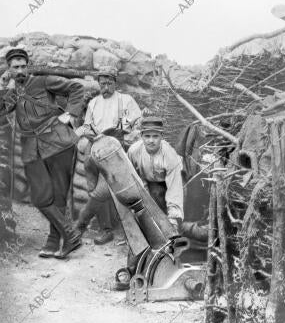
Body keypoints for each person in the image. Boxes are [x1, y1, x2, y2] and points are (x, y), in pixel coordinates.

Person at [0, 48, 85, 259]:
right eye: (15, 67)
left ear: (27, 66)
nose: (20, 70)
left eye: (22, 66)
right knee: (39, 196)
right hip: (31, 148)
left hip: (59, 143)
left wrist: (70, 114)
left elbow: (76, 88)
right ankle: (71, 236)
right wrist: (3, 87)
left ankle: (54, 240)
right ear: (8, 69)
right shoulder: (11, 91)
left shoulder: (44, 81)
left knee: (58, 196)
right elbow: (2, 110)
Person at [75, 66, 141, 244]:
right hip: (94, 148)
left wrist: (123, 134)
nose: (106, 87)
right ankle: (105, 228)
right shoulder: (93, 103)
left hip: (114, 149)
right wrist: (88, 133)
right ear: (98, 84)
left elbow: (137, 122)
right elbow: (87, 125)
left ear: (115, 83)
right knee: (92, 187)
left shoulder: (125, 100)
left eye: (109, 83)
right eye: (102, 83)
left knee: (102, 190)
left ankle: (93, 227)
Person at [127, 116, 184, 234]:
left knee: (160, 198)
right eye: (147, 136)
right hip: (145, 181)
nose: (151, 140)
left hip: (168, 182)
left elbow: (175, 190)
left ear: (162, 137)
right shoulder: (133, 151)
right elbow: (131, 176)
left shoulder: (170, 156)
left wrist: (173, 219)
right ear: (141, 136)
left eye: (155, 136)